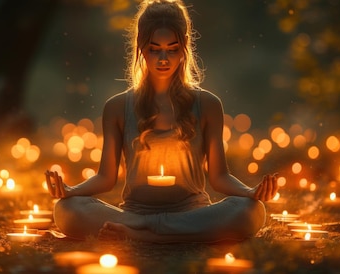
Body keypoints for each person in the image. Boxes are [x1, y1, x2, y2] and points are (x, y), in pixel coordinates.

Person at [45, 0, 279, 243]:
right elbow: (106, 177)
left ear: (185, 47)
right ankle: (163, 232)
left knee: (250, 210)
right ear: (141, 48)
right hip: (136, 213)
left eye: (172, 48)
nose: (163, 58)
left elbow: (219, 177)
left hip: (192, 213)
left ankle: (141, 234)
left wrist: (250, 192)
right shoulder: (116, 107)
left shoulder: (208, 104)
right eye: (155, 49)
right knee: (67, 209)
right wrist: (71, 191)